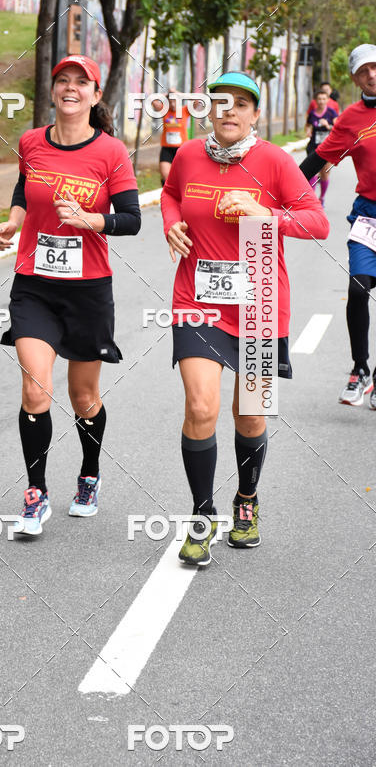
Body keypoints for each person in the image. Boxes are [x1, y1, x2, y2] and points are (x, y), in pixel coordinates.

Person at [161, 71, 329, 566]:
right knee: (200, 407)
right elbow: (171, 194)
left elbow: (316, 222)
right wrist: (172, 223)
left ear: (256, 114)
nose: (229, 110)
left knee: (250, 415)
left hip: (258, 306)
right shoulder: (190, 155)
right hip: (199, 300)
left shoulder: (275, 162)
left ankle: (246, 501)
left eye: (241, 103)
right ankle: (201, 514)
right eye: (220, 102)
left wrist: (264, 212)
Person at [0, 55, 141, 536]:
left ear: (96, 95)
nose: (71, 87)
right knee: (35, 390)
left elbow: (132, 220)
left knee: (84, 397)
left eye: (82, 82)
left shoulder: (112, 153)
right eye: (63, 81)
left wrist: (91, 220)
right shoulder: (32, 141)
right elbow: (23, 186)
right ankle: (35, 495)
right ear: (53, 90)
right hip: (34, 285)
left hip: (88, 291)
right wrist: (13, 223)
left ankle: (89, 475)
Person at [300, 43, 376, 409]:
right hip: (368, 216)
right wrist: (276, 190)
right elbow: (319, 158)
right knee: (359, 291)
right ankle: (359, 369)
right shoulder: (351, 119)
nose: (372, 75)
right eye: (364, 71)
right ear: (354, 77)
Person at [305, 89, 337, 206]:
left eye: (324, 99)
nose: (321, 101)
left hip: (328, 147)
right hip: (313, 146)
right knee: (312, 172)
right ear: (315, 100)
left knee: (324, 173)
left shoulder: (331, 113)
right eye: (319, 99)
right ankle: (312, 200)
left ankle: (322, 198)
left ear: (328, 100)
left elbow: (338, 128)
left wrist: (328, 126)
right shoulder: (312, 113)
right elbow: (308, 125)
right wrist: (308, 131)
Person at [153, 89, 190, 186]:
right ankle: (167, 197)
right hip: (167, 149)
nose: (173, 104)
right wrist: (166, 95)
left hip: (181, 149)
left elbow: (198, 101)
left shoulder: (184, 110)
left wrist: (178, 93)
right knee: (165, 177)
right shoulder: (165, 110)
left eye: (175, 101)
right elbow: (153, 100)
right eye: (170, 102)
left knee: (182, 177)